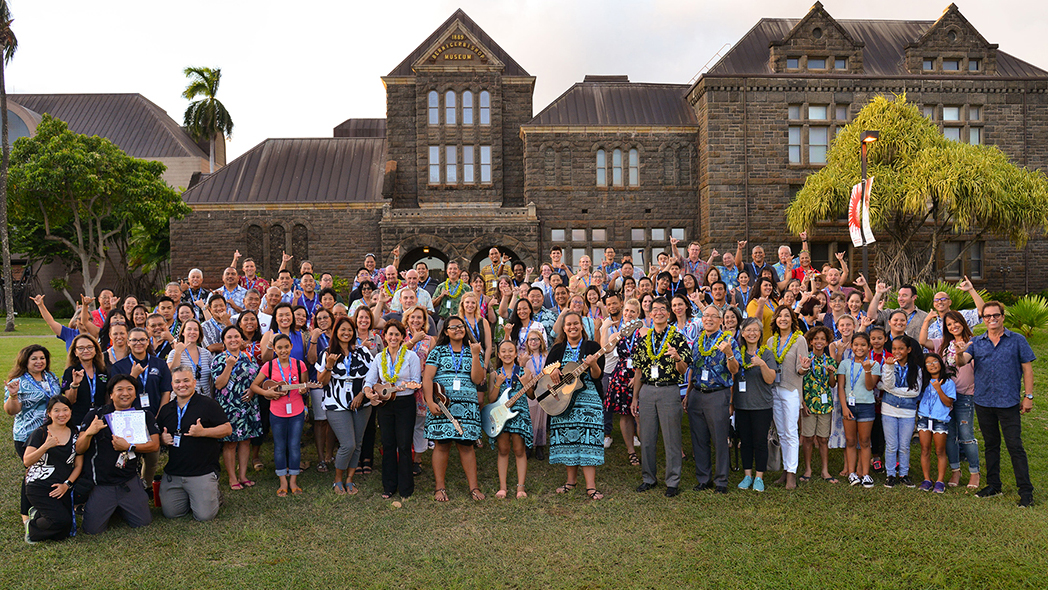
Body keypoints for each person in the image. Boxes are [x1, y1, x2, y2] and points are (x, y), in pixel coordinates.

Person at [954, 301, 1036, 506]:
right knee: (991, 445)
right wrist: (958, 351)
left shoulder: (1017, 340)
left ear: (1003, 316)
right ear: (983, 319)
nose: (991, 319)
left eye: (995, 315)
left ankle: (1026, 492)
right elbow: (962, 361)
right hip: (983, 401)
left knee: (1015, 446)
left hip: (1008, 402)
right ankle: (993, 485)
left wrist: (1029, 396)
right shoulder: (977, 342)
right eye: (987, 316)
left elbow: (1027, 369)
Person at [76, 375, 161, 534]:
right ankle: (101, 505)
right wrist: (89, 433)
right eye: (119, 389)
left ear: (135, 394)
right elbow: (79, 448)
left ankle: (120, 506)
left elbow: (154, 445)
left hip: (128, 481)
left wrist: (130, 446)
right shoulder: (97, 415)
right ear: (111, 394)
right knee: (92, 530)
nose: (125, 393)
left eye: (130, 389)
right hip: (102, 484)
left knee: (143, 522)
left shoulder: (143, 415)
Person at [156, 366, 232, 521]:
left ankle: (214, 492)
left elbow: (227, 429)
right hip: (174, 472)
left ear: (194, 382)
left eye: (186, 381)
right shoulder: (166, 410)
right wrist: (162, 439)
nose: (181, 385)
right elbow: (157, 435)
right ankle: (194, 496)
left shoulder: (208, 404)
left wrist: (203, 432)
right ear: (172, 385)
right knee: (172, 514)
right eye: (177, 382)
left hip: (202, 472)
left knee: (204, 516)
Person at [423, 317, 486, 501]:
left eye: (461, 326)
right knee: (442, 445)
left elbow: (477, 379)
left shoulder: (473, 350)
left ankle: (474, 488)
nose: (458, 329)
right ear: (445, 331)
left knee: (466, 446)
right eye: (454, 327)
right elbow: (427, 378)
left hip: (467, 407)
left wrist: (475, 355)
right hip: (442, 405)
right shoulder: (438, 351)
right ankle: (439, 487)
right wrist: (429, 401)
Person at [546, 312, 606, 500]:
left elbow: (598, 376)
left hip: (588, 398)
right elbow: (546, 373)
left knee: (589, 440)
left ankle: (591, 486)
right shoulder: (557, 349)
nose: (572, 327)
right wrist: (553, 371)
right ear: (563, 328)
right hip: (563, 401)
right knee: (568, 439)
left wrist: (593, 364)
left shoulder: (592, 347)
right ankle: (570, 482)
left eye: (576, 324)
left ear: (582, 326)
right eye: (569, 324)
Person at [920, 310, 980, 490]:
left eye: (956, 322)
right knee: (950, 437)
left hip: (964, 395)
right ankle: (955, 470)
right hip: (943, 395)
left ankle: (974, 472)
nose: (953, 326)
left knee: (966, 435)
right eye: (949, 325)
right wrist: (927, 321)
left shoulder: (974, 342)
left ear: (962, 322)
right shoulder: (942, 344)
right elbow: (923, 341)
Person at [684, 304, 741, 494]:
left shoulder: (728, 340)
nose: (708, 319)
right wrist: (688, 395)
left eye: (713, 316)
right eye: (705, 316)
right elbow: (693, 369)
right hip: (696, 394)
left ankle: (721, 481)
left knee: (719, 439)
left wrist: (729, 354)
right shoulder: (697, 341)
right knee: (699, 439)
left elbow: (734, 370)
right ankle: (703, 478)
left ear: (720, 320)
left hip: (717, 395)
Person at [6, 344, 63, 523]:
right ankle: (25, 514)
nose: (39, 362)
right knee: (32, 472)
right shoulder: (18, 381)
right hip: (28, 435)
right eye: (34, 359)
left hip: (52, 433)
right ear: (25, 361)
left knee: (46, 470)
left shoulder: (51, 377)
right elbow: (11, 411)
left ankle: (44, 506)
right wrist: (13, 396)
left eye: (42, 358)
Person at [366, 321, 423, 499]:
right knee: (388, 444)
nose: (393, 338)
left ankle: (406, 488)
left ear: (402, 337)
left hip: (405, 403)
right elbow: (369, 381)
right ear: (384, 337)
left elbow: (415, 382)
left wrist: (405, 386)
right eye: (390, 334)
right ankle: (389, 486)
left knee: (404, 445)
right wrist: (369, 393)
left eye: (397, 334)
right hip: (385, 405)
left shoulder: (411, 357)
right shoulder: (378, 358)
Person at [318, 318, 374, 495]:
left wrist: (362, 394)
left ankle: (350, 479)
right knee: (348, 444)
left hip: (362, 402)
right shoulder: (327, 353)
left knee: (357, 443)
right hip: (336, 403)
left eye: (350, 330)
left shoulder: (363, 352)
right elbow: (322, 382)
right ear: (336, 332)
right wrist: (329, 366)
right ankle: (337, 479)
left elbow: (373, 376)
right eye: (342, 330)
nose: (346, 333)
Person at [251, 334, 310, 497]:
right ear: (274, 349)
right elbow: (254, 385)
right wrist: (266, 392)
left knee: (294, 445)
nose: (283, 350)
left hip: (296, 410)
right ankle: (283, 481)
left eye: (286, 347)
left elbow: (304, 387)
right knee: (279, 446)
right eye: (279, 348)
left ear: (291, 346)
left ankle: (293, 481)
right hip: (277, 411)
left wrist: (304, 389)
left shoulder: (300, 365)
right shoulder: (268, 366)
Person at [22, 396, 84, 543]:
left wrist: (67, 484)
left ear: (70, 411)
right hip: (39, 485)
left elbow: (78, 465)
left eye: (65, 410)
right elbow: (27, 461)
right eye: (56, 410)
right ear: (49, 413)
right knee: (61, 522)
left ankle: (39, 516)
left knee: (63, 532)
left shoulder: (76, 434)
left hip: (61, 486)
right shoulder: (41, 433)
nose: (61, 414)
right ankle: (32, 526)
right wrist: (45, 446)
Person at [212, 325, 262, 490]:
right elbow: (218, 385)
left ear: (241, 339)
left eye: (236, 337)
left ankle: (243, 475)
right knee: (231, 443)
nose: (233, 340)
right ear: (224, 341)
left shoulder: (249, 357)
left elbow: (257, 378)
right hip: (230, 406)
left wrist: (253, 391)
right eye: (229, 337)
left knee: (246, 441)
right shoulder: (219, 359)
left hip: (249, 405)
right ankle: (232, 478)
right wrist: (229, 366)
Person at [767, 305, 811, 490]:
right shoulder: (770, 341)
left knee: (792, 431)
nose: (783, 319)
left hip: (791, 390)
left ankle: (792, 474)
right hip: (774, 390)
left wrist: (805, 367)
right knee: (782, 432)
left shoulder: (799, 340)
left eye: (787, 316)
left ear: (792, 320)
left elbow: (800, 371)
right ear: (775, 319)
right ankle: (786, 469)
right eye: (780, 316)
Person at [734, 318, 776, 492]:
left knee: (760, 442)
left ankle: (759, 477)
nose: (752, 333)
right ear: (742, 333)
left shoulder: (766, 353)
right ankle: (747, 475)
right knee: (745, 441)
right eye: (748, 330)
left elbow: (770, 379)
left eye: (755, 330)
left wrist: (762, 364)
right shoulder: (738, 353)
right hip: (742, 405)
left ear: (760, 333)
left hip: (762, 406)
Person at [488, 340, 533, 499]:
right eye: (503, 351)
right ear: (499, 355)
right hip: (502, 416)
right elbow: (491, 399)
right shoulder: (495, 374)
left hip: (519, 414)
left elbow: (532, 395)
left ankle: (521, 487)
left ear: (516, 353)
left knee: (519, 450)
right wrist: (498, 384)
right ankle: (503, 487)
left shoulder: (524, 372)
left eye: (510, 351)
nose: (507, 354)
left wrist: (527, 384)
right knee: (503, 449)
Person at [880, 335, 924, 488]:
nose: (897, 351)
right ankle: (890, 474)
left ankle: (904, 474)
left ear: (908, 350)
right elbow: (887, 384)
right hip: (889, 410)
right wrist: (890, 368)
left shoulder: (916, 368)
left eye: (901, 348)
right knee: (891, 445)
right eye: (894, 348)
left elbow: (915, 392)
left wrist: (894, 391)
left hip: (908, 411)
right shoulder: (887, 365)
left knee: (904, 445)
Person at [837, 333, 880, 488]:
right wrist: (844, 407)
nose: (859, 348)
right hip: (849, 405)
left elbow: (870, 386)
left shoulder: (874, 364)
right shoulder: (845, 364)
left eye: (863, 345)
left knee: (865, 441)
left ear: (869, 347)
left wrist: (867, 370)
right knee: (850, 441)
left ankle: (866, 474)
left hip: (866, 405)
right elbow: (841, 387)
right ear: (851, 346)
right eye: (856, 344)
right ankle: (851, 472)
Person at [801, 326, 838, 484]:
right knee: (808, 438)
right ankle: (808, 469)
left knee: (823, 439)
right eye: (816, 339)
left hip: (824, 405)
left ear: (827, 342)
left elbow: (832, 384)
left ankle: (825, 470)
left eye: (822, 339)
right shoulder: (805, 359)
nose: (819, 342)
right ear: (810, 342)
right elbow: (799, 382)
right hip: (808, 404)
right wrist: (803, 403)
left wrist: (831, 373)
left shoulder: (830, 361)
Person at [915, 353, 956, 494]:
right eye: (928, 363)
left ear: (940, 363)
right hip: (924, 418)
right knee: (925, 449)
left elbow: (949, 402)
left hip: (940, 420)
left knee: (940, 450)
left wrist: (939, 388)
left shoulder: (948, 382)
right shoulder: (924, 382)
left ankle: (940, 481)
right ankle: (927, 480)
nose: (932, 365)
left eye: (935, 361)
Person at [61, 334, 109, 426]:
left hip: (100, 418)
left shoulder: (102, 370)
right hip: (79, 419)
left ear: (95, 350)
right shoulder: (71, 371)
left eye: (89, 347)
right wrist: (75, 384)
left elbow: (107, 396)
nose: (86, 351)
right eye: (81, 348)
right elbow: (69, 401)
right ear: (75, 352)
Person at [521, 329, 550, 461]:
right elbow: (519, 374)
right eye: (530, 339)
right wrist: (522, 364)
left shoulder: (546, 356)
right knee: (530, 417)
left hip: (543, 390)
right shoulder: (524, 356)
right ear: (527, 342)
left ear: (541, 341)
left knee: (541, 419)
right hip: (529, 391)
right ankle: (528, 445)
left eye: (536, 339)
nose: (533, 342)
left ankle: (539, 445)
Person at [167, 319, 213, 398]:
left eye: (196, 330)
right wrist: (178, 352)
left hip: (205, 398)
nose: (192, 332)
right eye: (189, 329)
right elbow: (171, 373)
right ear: (183, 332)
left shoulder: (206, 353)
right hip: (183, 399)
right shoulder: (174, 353)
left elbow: (211, 379)